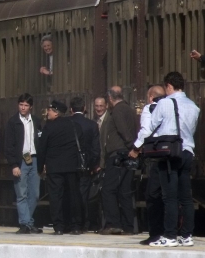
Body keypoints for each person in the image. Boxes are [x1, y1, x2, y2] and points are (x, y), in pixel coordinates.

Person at [130, 72, 200, 247]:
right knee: (186, 197)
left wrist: (136, 147)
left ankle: (169, 236)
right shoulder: (193, 106)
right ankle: (187, 235)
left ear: (169, 85)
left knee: (169, 197)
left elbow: (150, 128)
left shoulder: (165, 103)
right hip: (187, 152)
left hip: (169, 153)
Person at [100, 86, 139, 235]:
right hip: (127, 155)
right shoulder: (129, 109)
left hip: (118, 154)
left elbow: (123, 131)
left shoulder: (116, 111)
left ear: (110, 98)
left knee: (108, 189)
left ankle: (113, 224)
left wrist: (132, 147)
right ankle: (129, 226)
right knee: (124, 191)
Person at [130, 85, 166, 246]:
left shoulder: (149, 108)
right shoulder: (172, 107)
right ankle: (171, 232)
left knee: (152, 196)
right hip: (174, 153)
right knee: (170, 196)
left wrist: (135, 148)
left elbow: (146, 130)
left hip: (155, 155)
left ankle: (155, 233)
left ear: (151, 96)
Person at [40, 100, 82, 235]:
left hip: (54, 168)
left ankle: (59, 226)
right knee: (73, 196)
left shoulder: (48, 127)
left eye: (50, 110)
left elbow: (42, 149)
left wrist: (39, 168)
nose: (48, 112)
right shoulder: (74, 125)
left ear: (56, 112)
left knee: (56, 197)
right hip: (71, 167)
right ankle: (74, 225)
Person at [4, 93, 42, 234]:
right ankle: (25, 223)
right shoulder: (13, 122)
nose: (23, 108)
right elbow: (8, 146)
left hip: (35, 158)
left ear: (30, 107)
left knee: (35, 194)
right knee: (21, 194)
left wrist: (43, 162)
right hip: (21, 160)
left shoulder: (36, 121)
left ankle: (28, 221)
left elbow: (41, 142)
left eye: (26, 105)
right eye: (21, 105)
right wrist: (13, 165)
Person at [69, 96, 101, 233]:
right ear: (84, 109)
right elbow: (95, 148)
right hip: (86, 166)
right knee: (83, 195)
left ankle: (72, 222)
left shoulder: (66, 123)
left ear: (71, 109)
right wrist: (93, 164)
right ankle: (84, 223)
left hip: (69, 165)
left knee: (70, 194)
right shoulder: (92, 125)